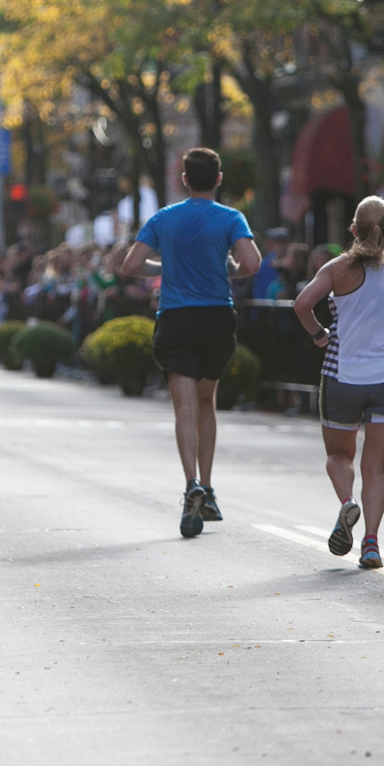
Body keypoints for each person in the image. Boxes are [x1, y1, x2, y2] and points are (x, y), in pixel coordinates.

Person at [121, 147, 260, 538]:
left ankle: (190, 487)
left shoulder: (164, 218)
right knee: (205, 401)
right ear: (218, 179)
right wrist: (226, 268)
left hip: (177, 317)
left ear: (184, 180)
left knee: (182, 406)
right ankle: (210, 487)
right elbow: (252, 264)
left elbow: (130, 266)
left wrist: (167, 265)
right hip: (216, 315)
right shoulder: (231, 217)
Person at [293, 197, 384, 570]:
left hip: (342, 377)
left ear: (353, 230)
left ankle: (346, 504)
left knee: (340, 455)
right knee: (376, 469)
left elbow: (302, 304)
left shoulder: (337, 268)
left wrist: (319, 334)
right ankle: (371, 543)